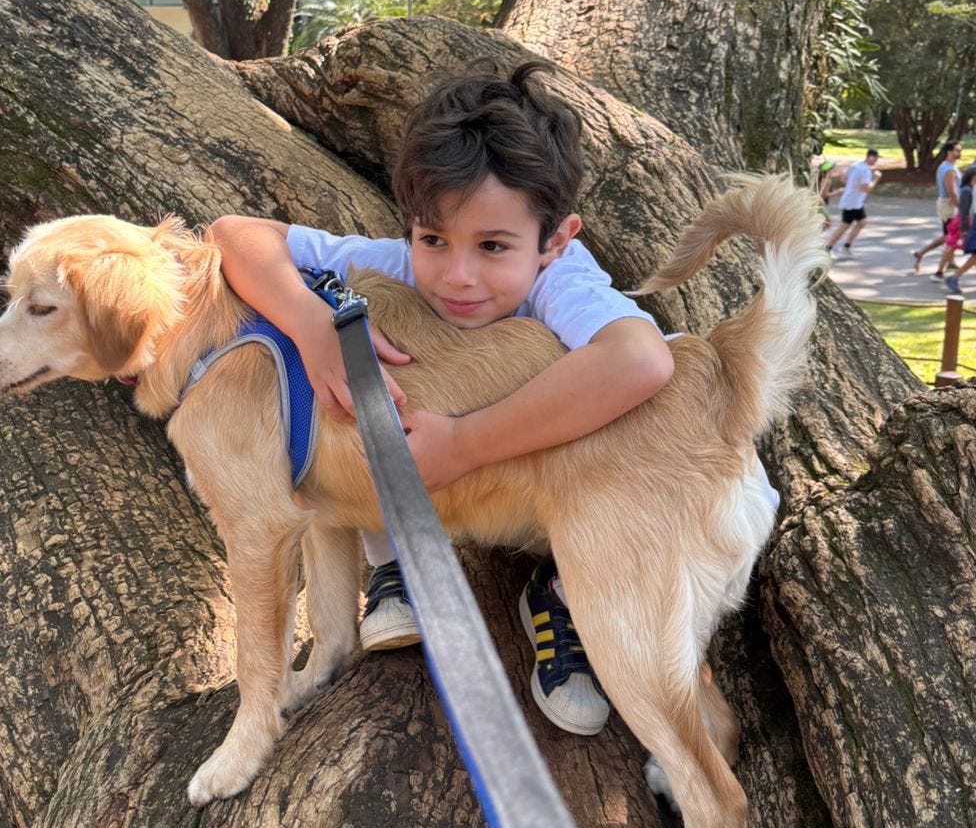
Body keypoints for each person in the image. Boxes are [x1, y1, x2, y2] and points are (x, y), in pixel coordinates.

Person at [208, 61, 676, 738]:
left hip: (570, 501)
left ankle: (563, 595)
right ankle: (392, 563)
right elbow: (232, 234)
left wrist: (464, 445)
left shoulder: (562, 280)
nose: (457, 275)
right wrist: (314, 328)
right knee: (366, 347)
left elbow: (640, 359)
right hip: (459, 492)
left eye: (492, 246)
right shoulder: (406, 265)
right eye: (433, 239)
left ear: (555, 240)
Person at [914, 140, 962, 279]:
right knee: (950, 237)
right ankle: (924, 257)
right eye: (957, 150)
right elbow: (951, 192)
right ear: (949, 151)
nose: (959, 153)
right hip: (948, 204)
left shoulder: (947, 166)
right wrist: (960, 207)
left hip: (948, 204)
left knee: (949, 236)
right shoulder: (948, 170)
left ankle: (950, 261)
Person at [826, 148, 881, 255]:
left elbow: (843, 179)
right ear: (870, 157)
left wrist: (852, 185)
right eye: (875, 158)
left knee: (862, 222)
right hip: (852, 203)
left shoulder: (854, 165)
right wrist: (875, 178)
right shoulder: (865, 171)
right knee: (845, 225)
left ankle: (847, 246)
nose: (876, 161)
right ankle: (828, 248)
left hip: (855, 202)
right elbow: (866, 188)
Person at [943, 164, 976, 295]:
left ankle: (954, 277)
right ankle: (953, 277)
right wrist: (963, 229)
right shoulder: (969, 190)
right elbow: (965, 211)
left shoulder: (971, 189)